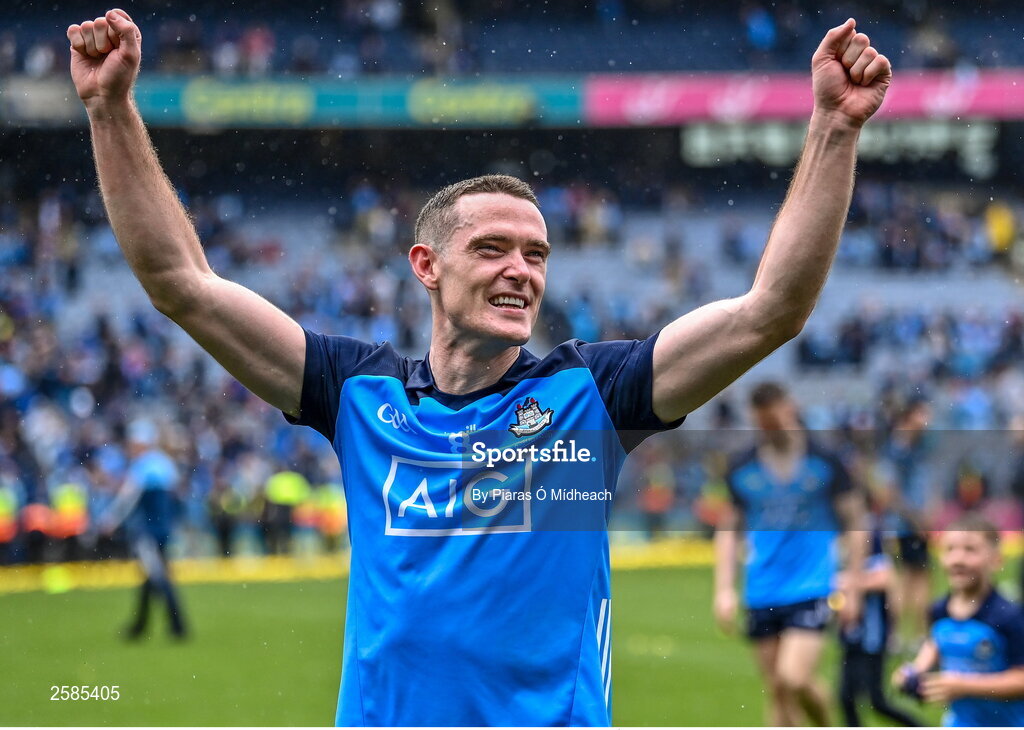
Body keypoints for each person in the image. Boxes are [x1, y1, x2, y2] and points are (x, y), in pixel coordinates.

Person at [66, 9, 891, 725]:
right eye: (491, 248)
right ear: (426, 265)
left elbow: (771, 309)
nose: (520, 270)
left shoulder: (588, 396)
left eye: (536, 254)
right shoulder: (357, 393)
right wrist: (110, 109)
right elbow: (183, 286)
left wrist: (833, 128)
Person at [713, 382, 868, 726]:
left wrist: (854, 585)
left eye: (775, 422)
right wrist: (724, 589)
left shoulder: (825, 460)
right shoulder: (741, 466)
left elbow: (856, 520)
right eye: (762, 424)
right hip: (762, 587)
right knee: (778, 689)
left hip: (812, 584)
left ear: (790, 408)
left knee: (793, 678)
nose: (770, 431)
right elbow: (729, 530)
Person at [892, 514, 1024, 726]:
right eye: (950, 549)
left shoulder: (1008, 616)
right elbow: (933, 645)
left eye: (970, 550)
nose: (958, 559)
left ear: (996, 560)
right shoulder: (938, 610)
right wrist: (910, 673)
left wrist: (964, 686)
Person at [98, 419, 188, 640]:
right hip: (164, 530)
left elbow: (127, 498)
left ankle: (178, 626)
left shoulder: (142, 466)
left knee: (158, 577)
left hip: (148, 531)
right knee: (151, 576)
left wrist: (111, 519)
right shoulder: (165, 464)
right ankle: (139, 627)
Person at [837, 525, 923, 726]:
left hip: (872, 640)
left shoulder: (873, 552)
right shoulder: (845, 556)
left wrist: (849, 583)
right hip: (851, 639)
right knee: (845, 698)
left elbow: (887, 581)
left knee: (877, 702)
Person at [882, 396, 935, 651]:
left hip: (912, 523)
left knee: (913, 578)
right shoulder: (898, 448)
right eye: (922, 414)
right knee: (909, 579)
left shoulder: (916, 445)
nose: (926, 421)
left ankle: (907, 636)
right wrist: (917, 521)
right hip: (905, 525)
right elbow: (891, 493)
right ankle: (904, 636)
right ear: (908, 416)